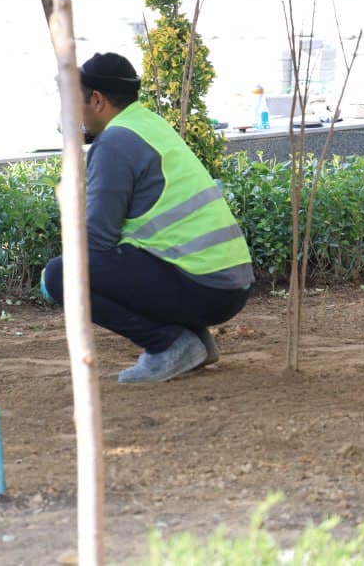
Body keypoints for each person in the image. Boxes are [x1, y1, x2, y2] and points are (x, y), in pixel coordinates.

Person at [41, 53, 253, 384]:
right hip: (229, 285)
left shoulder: (114, 143)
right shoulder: (147, 124)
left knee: (61, 274)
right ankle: (195, 341)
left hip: (205, 287)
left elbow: (96, 241)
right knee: (116, 259)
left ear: (96, 100)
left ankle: (169, 344)